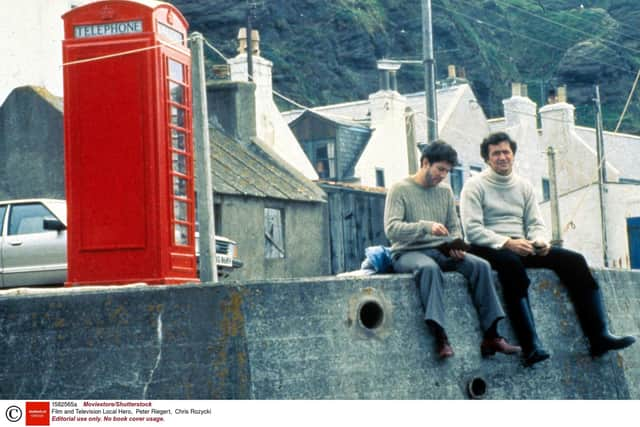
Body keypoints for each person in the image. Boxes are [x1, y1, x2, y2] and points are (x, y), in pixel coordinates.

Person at [460, 131, 635, 366]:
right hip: (487, 246)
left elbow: (535, 223)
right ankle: (531, 346)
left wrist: (539, 241)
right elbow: (472, 230)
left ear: (513, 155)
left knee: (574, 261)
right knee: (511, 267)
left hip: (521, 244)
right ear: (487, 159)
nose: (502, 157)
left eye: (506, 152)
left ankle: (599, 336)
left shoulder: (524, 186)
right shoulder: (474, 186)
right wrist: (506, 242)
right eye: (496, 153)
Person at [384, 140, 520, 359]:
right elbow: (392, 230)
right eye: (440, 169)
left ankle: (492, 336)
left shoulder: (445, 191)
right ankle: (440, 336)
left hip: (441, 250)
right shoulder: (400, 189)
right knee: (429, 269)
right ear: (425, 163)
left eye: (447, 171)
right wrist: (425, 226)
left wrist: (456, 244)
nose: (443, 175)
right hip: (407, 253)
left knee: (480, 265)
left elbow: (454, 227)